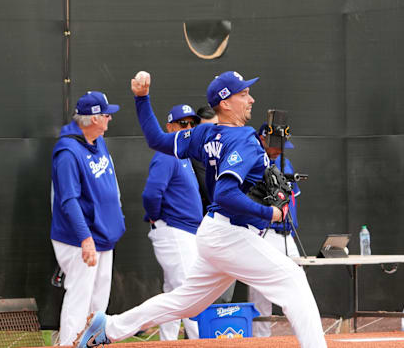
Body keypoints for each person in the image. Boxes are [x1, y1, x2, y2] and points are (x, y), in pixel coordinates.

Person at [74, 71, 327, 348]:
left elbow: (156, 140)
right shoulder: (242, 139)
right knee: (293, 280)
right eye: (243, 94)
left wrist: (142, 99)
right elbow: (226, 193)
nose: (250, 99)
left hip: (217, 232)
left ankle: (109, 327)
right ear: (226, 102)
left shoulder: (205, 132)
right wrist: (271, 214)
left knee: (185, 303)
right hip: (229, 234)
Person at [50, 91, 126, 345]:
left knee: (99, 301)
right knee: (80, 296)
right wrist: (85, 238)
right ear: (93, 118)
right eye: (106, 115)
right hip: (80, 237)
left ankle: (92, 341)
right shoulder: (68, 152)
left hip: (103, 235)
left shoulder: (96, 140)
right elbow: (68, 200)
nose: (110, 119)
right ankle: (68, 343)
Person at [141, 104, 202, 340]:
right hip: (174, 230)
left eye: (192, 124)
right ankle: (200, 343)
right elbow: (151, 193)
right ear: (170, 127)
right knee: (190, 293)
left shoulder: (182, 154)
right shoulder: (167, 153)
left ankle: (167, 342)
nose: (189, 128)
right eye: (183, 124)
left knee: (174, 292)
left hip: (185, 232)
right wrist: (157, 217)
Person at [248, 123, 302, 337]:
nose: (281, 149)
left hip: (287, 234)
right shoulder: (254, 161)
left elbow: (293, 199)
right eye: (277, 144)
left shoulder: (285, 162)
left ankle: (302, 336)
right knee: (261, 292)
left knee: (299, 284)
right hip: (264, 232)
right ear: (263, 140)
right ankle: (261, 340)